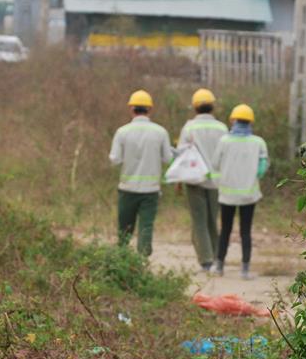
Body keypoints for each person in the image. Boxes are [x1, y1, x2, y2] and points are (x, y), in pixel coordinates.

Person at [109, 89, 173, 258]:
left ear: (131, 109)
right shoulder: (160, 132)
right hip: (150, 191)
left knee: (124, 230)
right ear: (150, 109)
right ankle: (142, 262)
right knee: (146, 228)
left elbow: (114, 159)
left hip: (127, 189)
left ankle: (121, 262)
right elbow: (168, 158)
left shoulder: (122, 132)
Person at [212, 104, 268, 279]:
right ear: (251, 122)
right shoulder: (258, 142)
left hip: (227, 195)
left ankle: (219, 267)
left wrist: (221, 178)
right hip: (249, 196)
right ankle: (245, 270)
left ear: (233, 120)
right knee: (245, 232)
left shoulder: (224, 141)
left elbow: (215, 164)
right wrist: (254, 175)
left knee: (225, 230)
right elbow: (263, 167)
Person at [177, 88, 227, 272]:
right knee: (213, 220)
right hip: (217, 182)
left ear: (195, 107)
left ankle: (206, 260)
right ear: (213, 107)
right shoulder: (222, 128)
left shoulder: (189, 128)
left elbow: (182, 155)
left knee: (199, 220)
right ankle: (215, 257)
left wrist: (178, 181)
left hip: (194, 180)